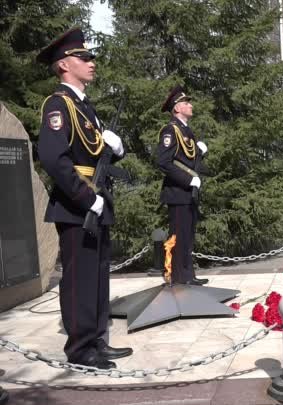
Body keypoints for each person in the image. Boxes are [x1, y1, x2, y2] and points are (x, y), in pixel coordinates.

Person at [36, 27, 133, 369]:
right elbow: (53, 158)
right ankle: (79, 350)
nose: (91, 62)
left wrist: (115, 149)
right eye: (83, 57)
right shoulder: (57, 105)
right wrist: (84, 197)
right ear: (64, 64)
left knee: (98, 274)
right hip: (77, 205)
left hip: (97, 200)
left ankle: (95, 340)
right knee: (79, 277)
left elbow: (94, 153)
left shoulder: (85, 106)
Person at [156, 86, 209, 285]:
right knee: (179, 237)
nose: (191, 105)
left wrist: (199, 152)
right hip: (177, 192)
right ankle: (178, 278)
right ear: (177, 108)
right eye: (187, 103)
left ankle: (188, 275)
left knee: (188, 235)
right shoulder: (170, 130)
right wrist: (188, 180)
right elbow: (163, 162)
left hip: (189, 193)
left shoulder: (186, 130)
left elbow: (186, 160)